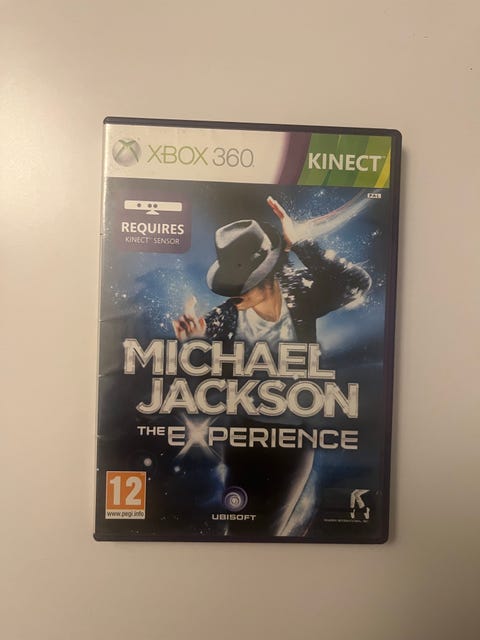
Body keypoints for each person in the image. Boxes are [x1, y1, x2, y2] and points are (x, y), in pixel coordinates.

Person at [173, 196, 371, 346]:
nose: (232, 293)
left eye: (241, 283)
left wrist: (300, 245)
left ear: (265, 274)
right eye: (230, 281)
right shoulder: (220, 320)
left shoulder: (300, 292)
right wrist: (194, 343)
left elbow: (356, 283)